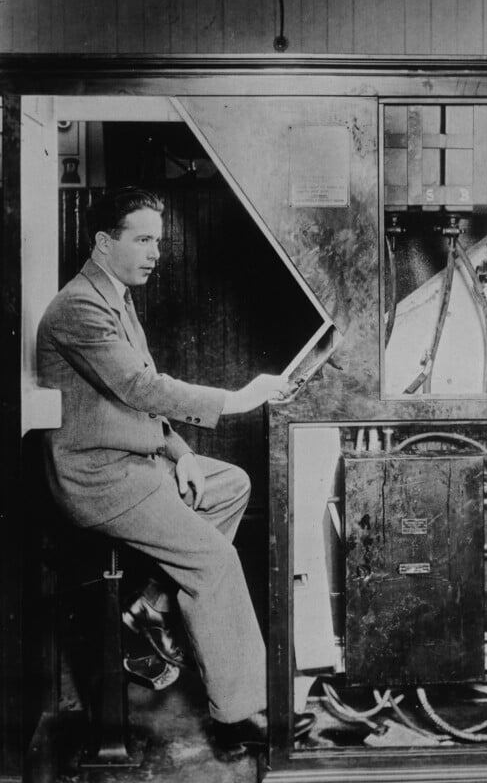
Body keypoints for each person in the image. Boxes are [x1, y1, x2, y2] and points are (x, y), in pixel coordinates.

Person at [37, 186, 314, 760]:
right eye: (143, 240)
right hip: (101, 480)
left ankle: (152, 607)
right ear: (103, 242)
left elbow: (137, 400)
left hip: (135, 462)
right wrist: (241, 398)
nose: (155, 253)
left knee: (229, 485)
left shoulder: (114, 297)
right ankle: (238, 715)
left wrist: (181, 452)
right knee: (215, 562)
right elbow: (140, 388)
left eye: (158, 242)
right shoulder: (78, 308)